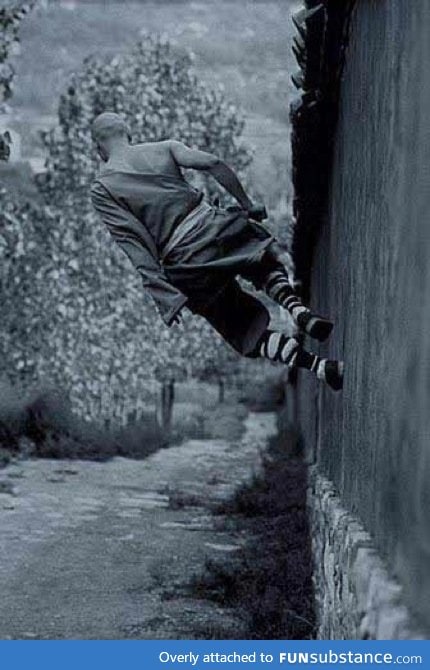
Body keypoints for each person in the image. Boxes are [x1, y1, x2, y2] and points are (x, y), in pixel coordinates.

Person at [90, 112, 343, 390]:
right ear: (128, 132)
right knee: (262, 261)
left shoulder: (104, 188)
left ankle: (321, 367)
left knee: (243, 328)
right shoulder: (164, 148)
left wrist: (165, 295)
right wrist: (246, 205)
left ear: (98, 148)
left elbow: (133, 241)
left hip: (185, 263)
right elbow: (213, 163)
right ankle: (298, 311)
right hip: (215, 228)